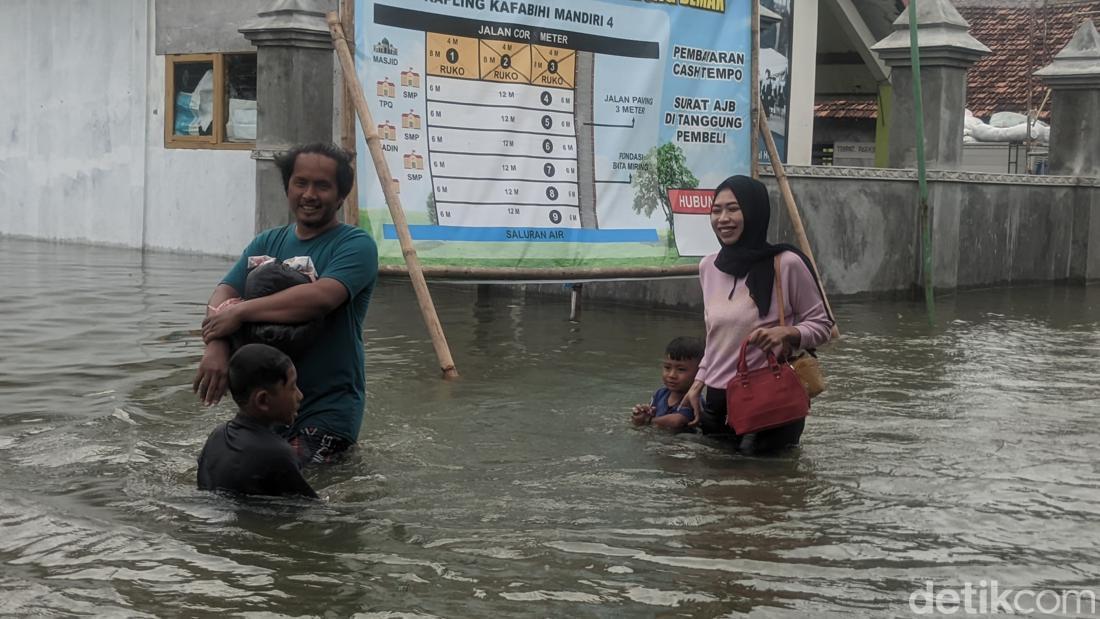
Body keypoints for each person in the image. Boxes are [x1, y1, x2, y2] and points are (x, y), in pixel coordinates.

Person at [193, 143, 378, 465]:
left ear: (341, 196)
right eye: (300, 182)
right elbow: (223, 292)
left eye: (322, 185)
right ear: (288, 187)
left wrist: (241, 312)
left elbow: (321, 298)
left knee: (297, 500)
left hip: (327, 410)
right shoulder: (267, 241)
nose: (309, 194)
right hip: (264, 408)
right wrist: (217, 345)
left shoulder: (355, 244)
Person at [685, 175, 833, 455]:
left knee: (767, 487)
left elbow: (823, 325)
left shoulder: (786, 263)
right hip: (717, 399)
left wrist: (787, 332)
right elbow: (715, 338)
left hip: (770, 398)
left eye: (733, 208)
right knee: (715, 489)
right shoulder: (708, 267)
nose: (723, 218)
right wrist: (698, 383)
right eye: (716, 210)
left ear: (754, 211)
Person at [197, 344, 317, 498]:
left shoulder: (217, 436)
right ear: (263, 400)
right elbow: (312, 510)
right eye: (292, 387)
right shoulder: (278, 454)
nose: (300, 396)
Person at [631, 336, 704, 432]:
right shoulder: (660, 394)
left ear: (700, 373)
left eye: (681, 369)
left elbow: (677, 422)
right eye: (667, 367)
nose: (672, 375)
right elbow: (651, 412)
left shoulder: (694, 399)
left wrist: (647, 421)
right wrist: (643, 413)